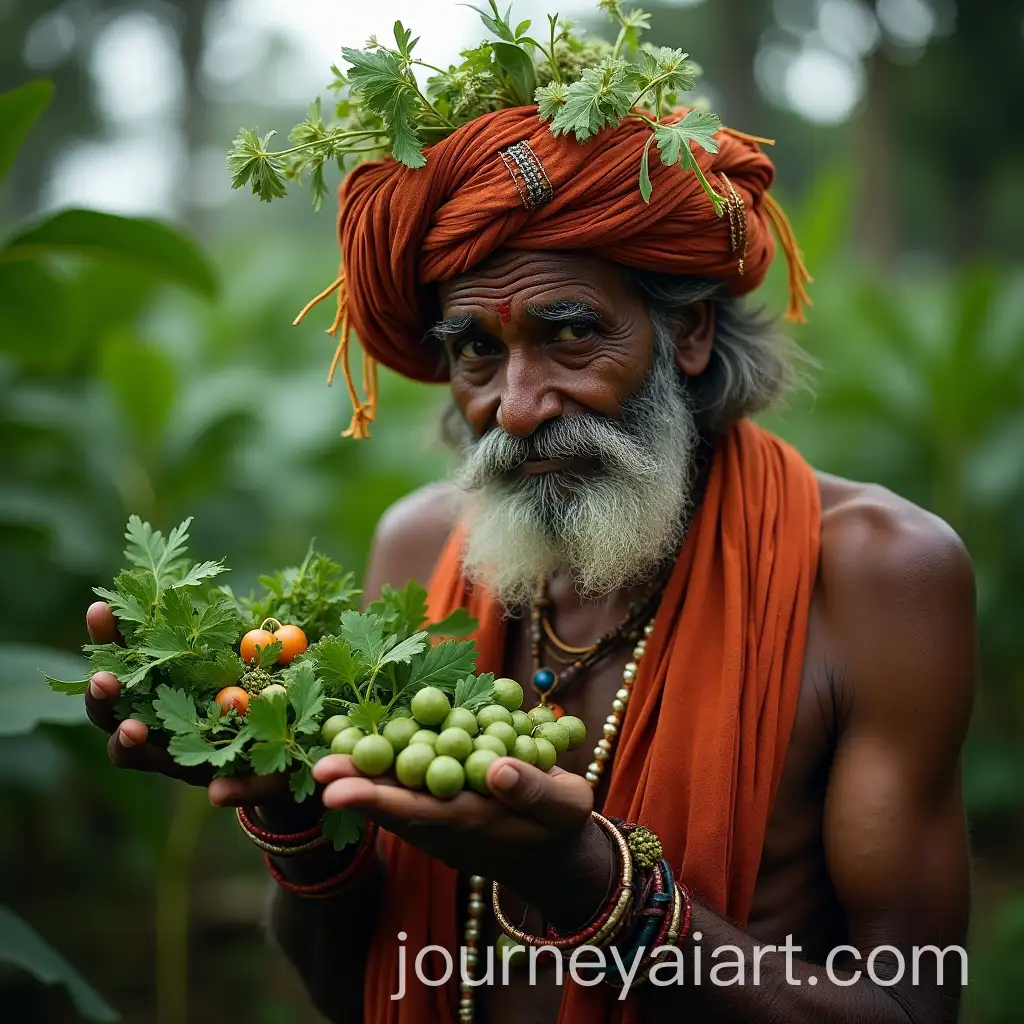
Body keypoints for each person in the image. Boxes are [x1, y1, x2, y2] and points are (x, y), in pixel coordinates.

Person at [83, 30, 975, 1024]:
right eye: (474, 349)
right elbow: (354, 991)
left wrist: (594, 885)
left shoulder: (873, 573)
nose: (514, 405)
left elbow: (915, 1007)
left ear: (686, 331)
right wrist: (298, 817)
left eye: (571, 332)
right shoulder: (420, 550)